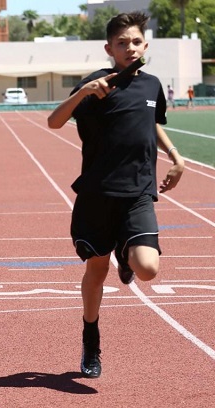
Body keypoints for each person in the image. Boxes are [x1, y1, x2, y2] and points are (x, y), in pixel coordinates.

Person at [47, 12, 184, 379]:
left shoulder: (153, 85)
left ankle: (128, 254)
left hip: (138, 192)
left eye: (135, 41)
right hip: (97, 194)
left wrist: (174, 156)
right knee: (97, 269)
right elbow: (54, 122)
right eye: (122, 42)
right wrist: (82, 93)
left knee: (148, 268)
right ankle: (90, 339)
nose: (130, 48)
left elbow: (150, 123)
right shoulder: (96, 84)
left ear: (145, 45)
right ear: (109, 48)